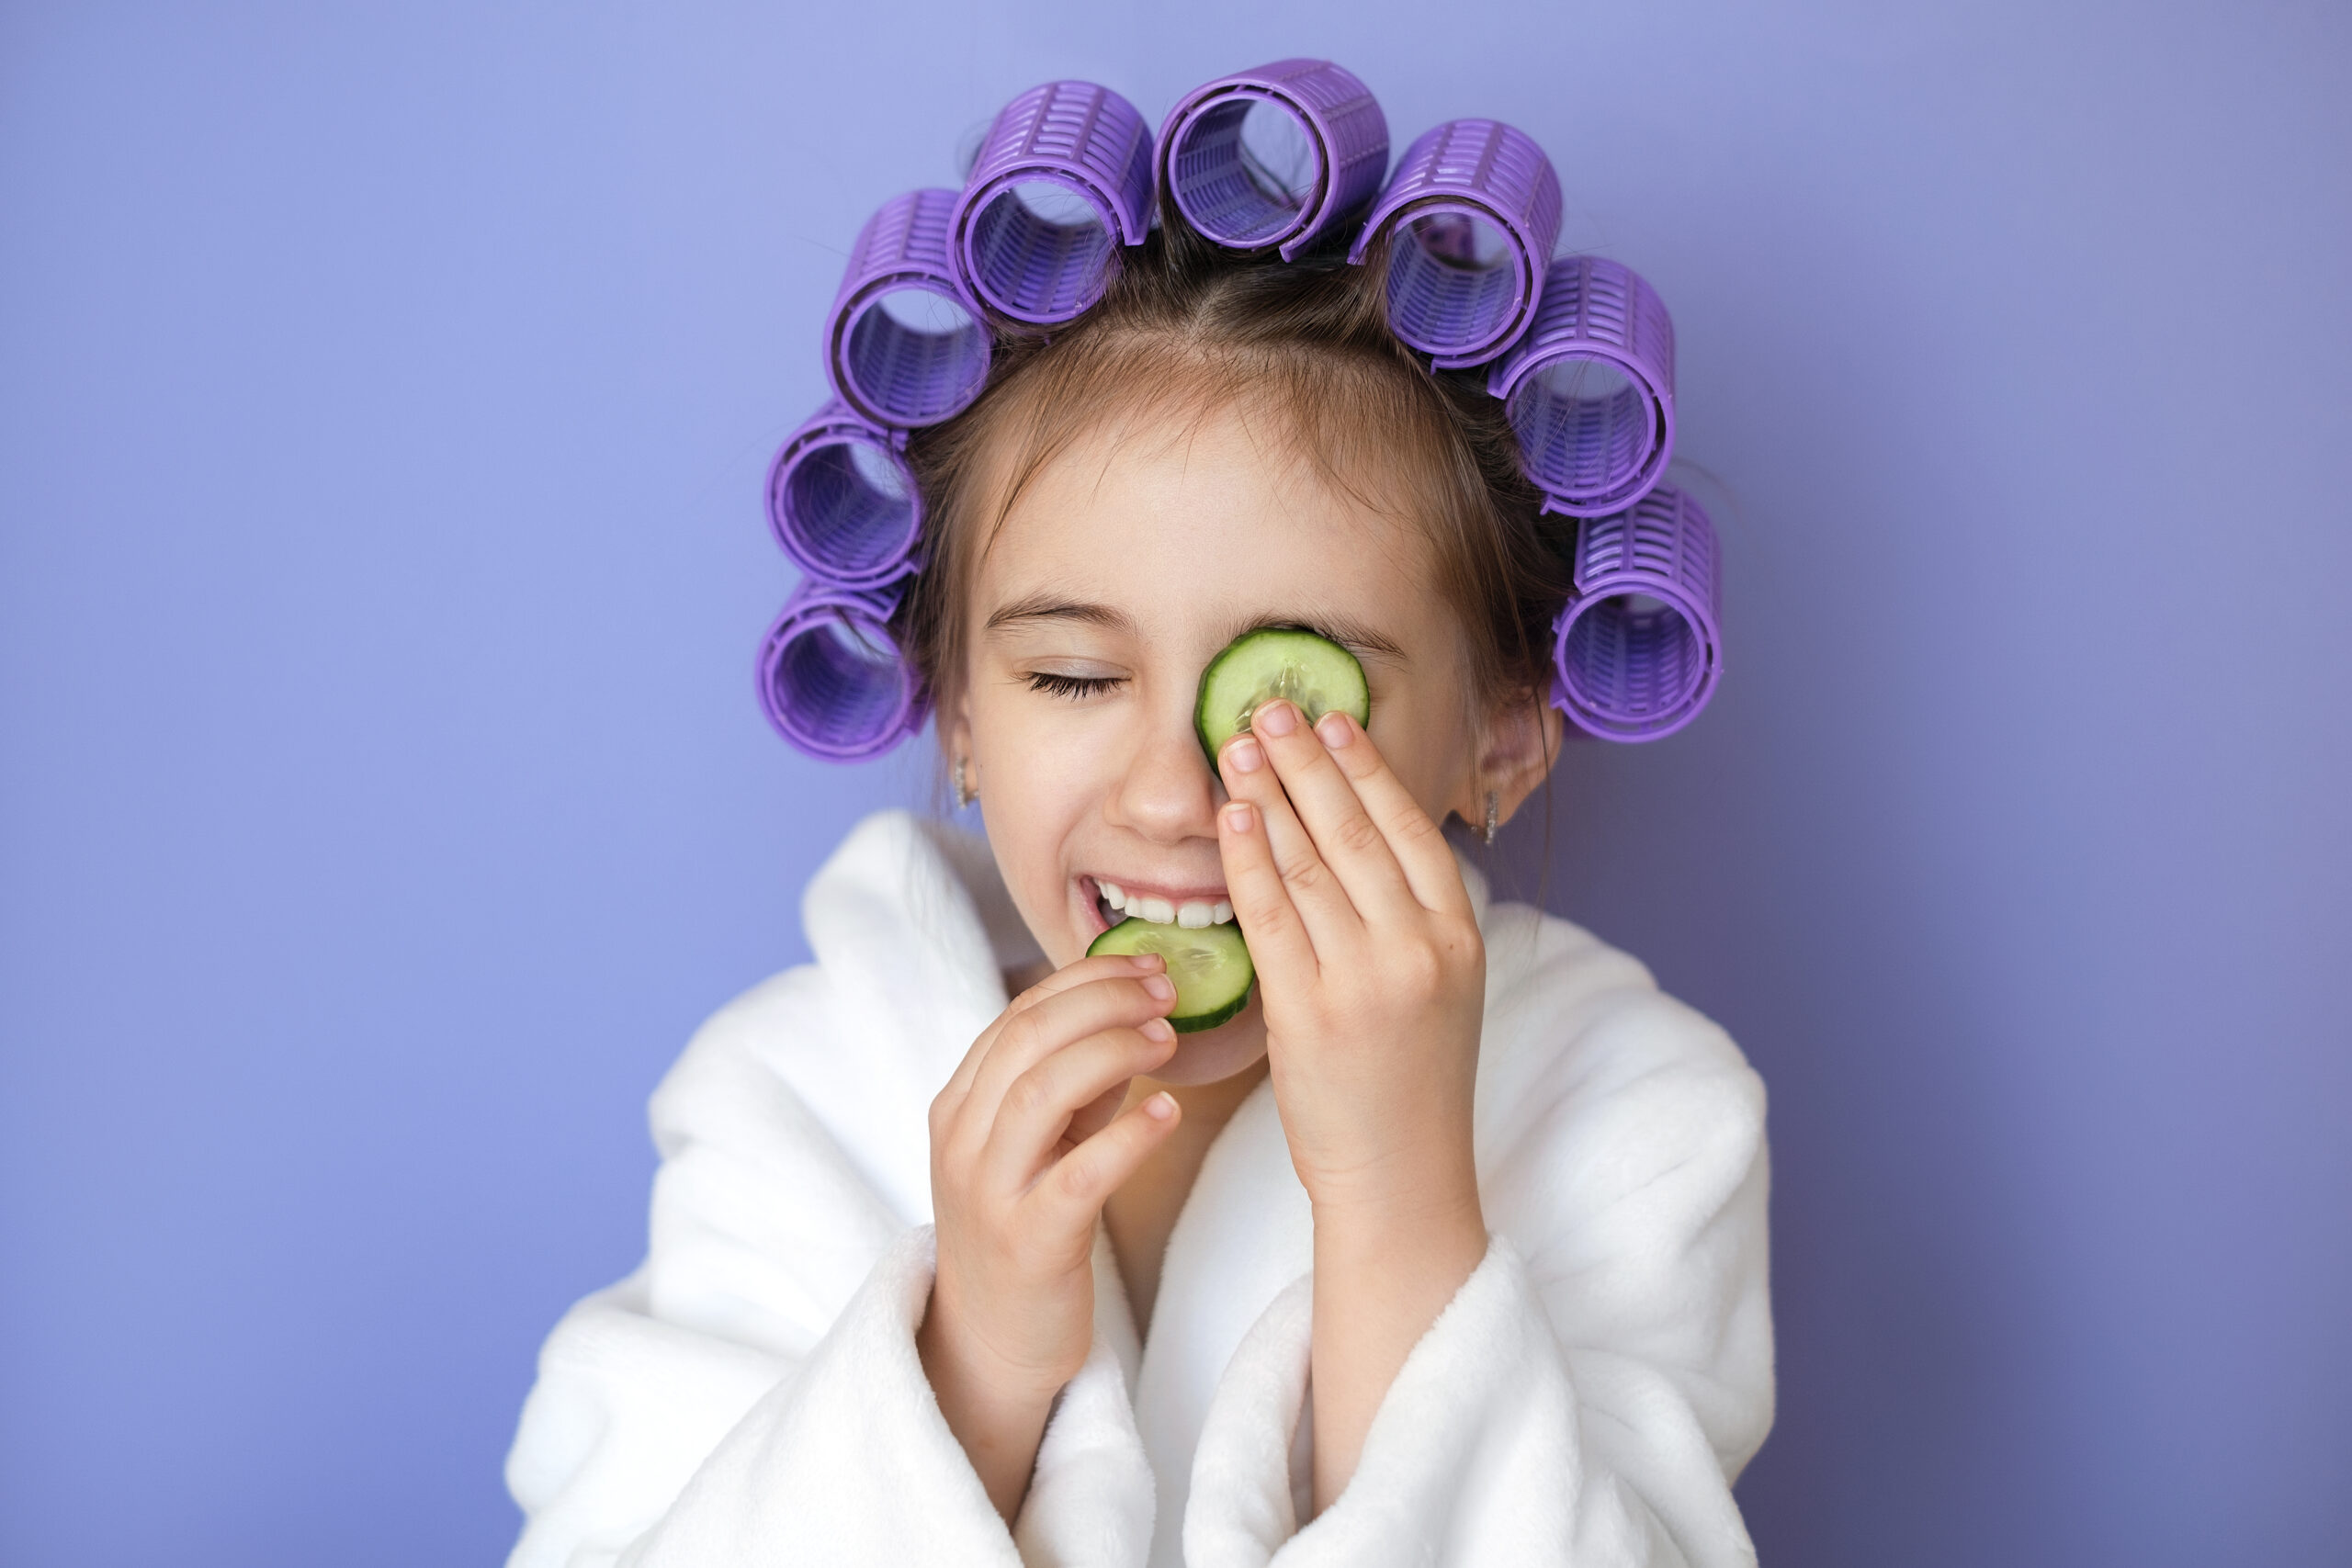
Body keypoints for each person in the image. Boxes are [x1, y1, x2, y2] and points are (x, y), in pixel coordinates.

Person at [502, 202, 1773, 1567]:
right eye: (1073, 677)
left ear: (1503, 736)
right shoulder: (793, 1092)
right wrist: (969, 1365)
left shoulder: (1637, 1112)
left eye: (1291, 695)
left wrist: (1399, 1197)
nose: (1174, 795)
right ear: (961, 720)